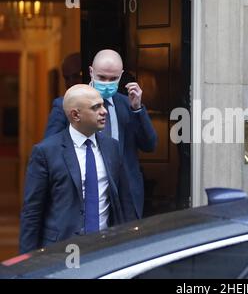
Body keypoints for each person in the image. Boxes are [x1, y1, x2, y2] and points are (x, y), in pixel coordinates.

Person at [19, 85, 136, 254]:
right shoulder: (46, 152)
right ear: (75, 115)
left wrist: (131, 246)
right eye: (96, 107)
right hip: (61, 249)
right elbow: (32, 211)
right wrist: (26, 263)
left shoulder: (112, 147)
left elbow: (125, 202)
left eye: (102, 105)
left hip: (106, 247)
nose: (104, 111)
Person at [44, 49, 157, 219]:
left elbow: (150, 145)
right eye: (102, 77)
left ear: (121, 76)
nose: (107, 83)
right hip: (83, 192)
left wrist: (137, 109)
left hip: (124, 195)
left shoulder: (128, 104)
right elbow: (50, 152)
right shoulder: (65, 105)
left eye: (113, 79)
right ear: (91, 72)